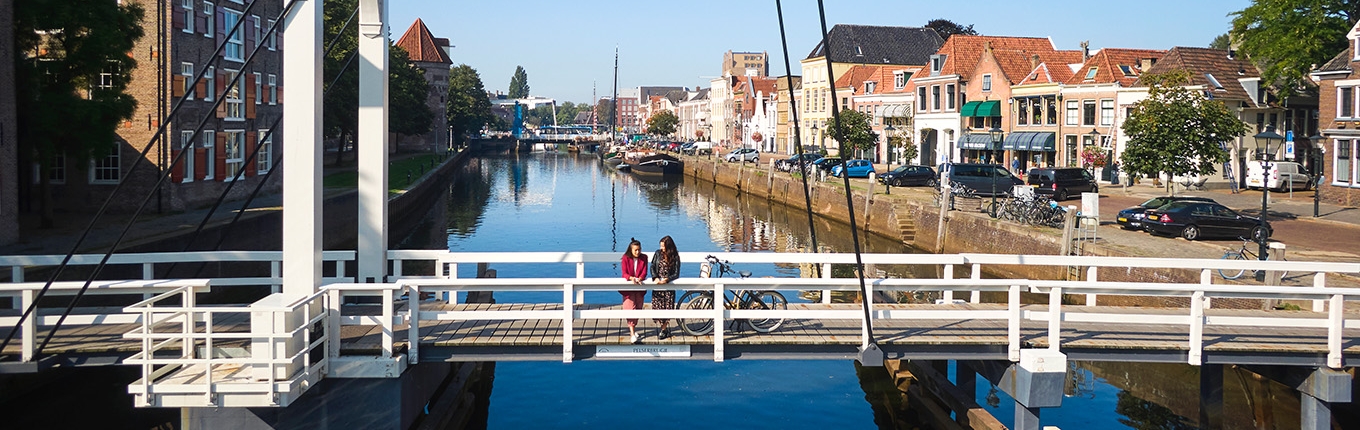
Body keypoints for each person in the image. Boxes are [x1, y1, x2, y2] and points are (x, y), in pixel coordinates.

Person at [649, 236, 680, 340]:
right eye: (661, 246)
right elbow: (652, 266)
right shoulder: (657, 253)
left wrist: (667, 279)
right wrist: (655, 277)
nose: (661, 248)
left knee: (667, 308)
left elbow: (676, 273)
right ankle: (664, 328)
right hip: (658, 285)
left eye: (663, 246)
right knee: (658, 308)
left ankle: (663, 329)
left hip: (668, 286)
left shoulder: (675, 256)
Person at [619, 238, 648, 344]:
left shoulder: (644, 257)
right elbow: (624, 273)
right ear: (630, 250)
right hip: (629, 288)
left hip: (639, 287)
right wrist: (632, 278)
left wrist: (640, 278)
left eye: (639, 249)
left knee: (638, 307)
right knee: (630, 308)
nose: (638, 252)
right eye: (635, 250)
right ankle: (632, 333)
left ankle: (633, 329)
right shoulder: (625, 258)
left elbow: (644, 271)